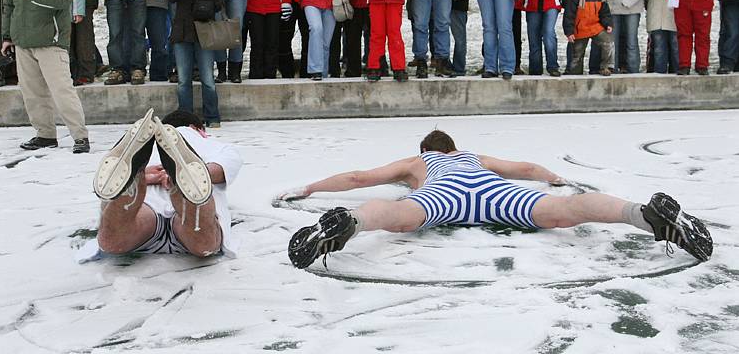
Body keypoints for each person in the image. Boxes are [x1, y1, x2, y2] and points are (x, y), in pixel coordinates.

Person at [283, 130, 713, 269]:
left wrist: (310, 187)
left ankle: (349, 224)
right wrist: (558, 179)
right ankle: (644, 215)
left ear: (430, 150)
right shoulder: (474, 157)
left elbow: (360, 176)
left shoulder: (421, 160)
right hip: (493, 194)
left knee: (396, 215)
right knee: (567, 212)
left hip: (444, 197)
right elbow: (527, 170)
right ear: (455, 147)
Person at [80, 108, 242, 262]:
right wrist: (197, 173)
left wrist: (146, 175)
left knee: (113, 242)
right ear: (198, 129)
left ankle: (134, 179)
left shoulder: (151, 148)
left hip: (147, 205)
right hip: (188, 228)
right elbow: (223, 168)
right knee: (204, 244)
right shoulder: (211, 144)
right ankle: (185, 183)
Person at [1, 0, 89, 153]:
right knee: (32, 94)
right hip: (22, 42)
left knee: (62, 91)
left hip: (51, 41)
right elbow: (8, 5)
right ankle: (45, 135)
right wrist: (7, 36)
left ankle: (80, 137)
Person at [165, 0, 224, 126]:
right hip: (182, 33)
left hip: (204, 33)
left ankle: (212, 117)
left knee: (207, 78)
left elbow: (220, 2)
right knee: (184, 80)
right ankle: (186, 119)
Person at [563, 0, 614, 75]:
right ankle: (575, 73)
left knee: (608, 43)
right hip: (580, 29)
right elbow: (569, 15)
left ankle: (605, 67)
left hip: (595, 27)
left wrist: (608, 24)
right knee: (577, 53)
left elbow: (605, 13)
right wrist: (569, 32)